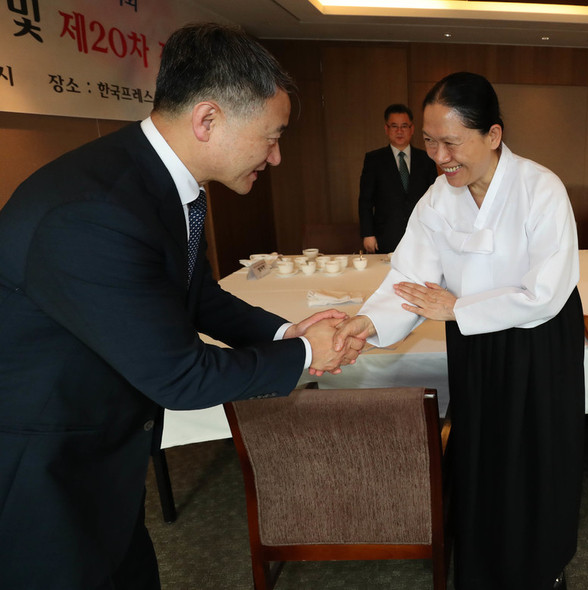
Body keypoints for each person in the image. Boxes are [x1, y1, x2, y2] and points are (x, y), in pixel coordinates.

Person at [0, 23, 363, 589]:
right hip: (38, 471)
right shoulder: (95, 210)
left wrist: (288, 331)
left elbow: (196, 296)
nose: (277, 156)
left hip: (101, 456)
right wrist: (300, 355)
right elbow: (180, 376)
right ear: (208, 119)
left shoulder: (152, 182)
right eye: (270, 137)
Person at [329, 72, 584, 590]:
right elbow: (407, 278)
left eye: (451, 141)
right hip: (473, 344)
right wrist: (368, 321)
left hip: (537, 345)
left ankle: (542, 570)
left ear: (493, 135)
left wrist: (459, 308)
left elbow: (546, 292)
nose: (439, 155)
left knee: (535, 457)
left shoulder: (540, 188)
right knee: (481, 458)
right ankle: (483, 571)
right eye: (429, 140)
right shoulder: (438, 199)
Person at [358, 104, 439, 253]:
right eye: (394, 126)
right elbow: (365, 201)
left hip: (422, 235)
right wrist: (368, 233)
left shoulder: (426, 159)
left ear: (412, 129)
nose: (399, 131)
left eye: (404, 126)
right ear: (386, 129)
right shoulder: (374, 160)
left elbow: (435, 198)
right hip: (386, 235)